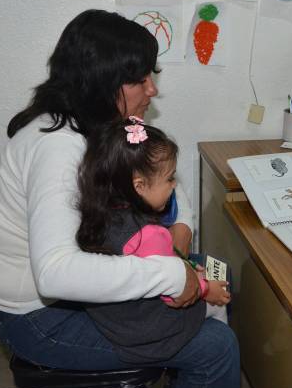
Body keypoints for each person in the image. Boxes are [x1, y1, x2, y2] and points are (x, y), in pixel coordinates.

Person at [0, 9, 240, 388]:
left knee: (217, 273)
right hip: (40, 320)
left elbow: (159, 178)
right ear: (101, 80)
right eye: (139, 79)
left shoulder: (96, 126)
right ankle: (193, 372)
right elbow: (55, 273)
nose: (152, 89)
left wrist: (181, 231)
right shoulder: (58, 149)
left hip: (70, 294)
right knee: (216, 347)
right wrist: (170, 274)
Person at [76, 116, 231, 364]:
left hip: (116, 320)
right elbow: (176, 292)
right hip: (147, 332)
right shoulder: (150, 235)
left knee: (205, 270)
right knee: (220, 297)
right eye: (169, 179)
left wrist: (188, 269)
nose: (174, 185)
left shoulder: (99, 212)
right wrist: (205, 288)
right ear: (139, 186)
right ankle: (217, 350)